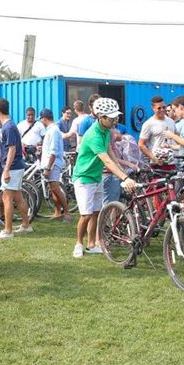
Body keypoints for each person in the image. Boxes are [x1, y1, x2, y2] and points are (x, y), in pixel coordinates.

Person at [71, 98, 136, 258]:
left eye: (115, 117)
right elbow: (105, 159)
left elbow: (111, 154)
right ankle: (79, 244)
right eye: (111, 117)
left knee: (96, 212)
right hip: (84, 178)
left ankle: (92, 244)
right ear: (101, 117)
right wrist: (124, 178)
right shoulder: (94, 134)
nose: (114, 120)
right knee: (85, 215)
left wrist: (124, 174)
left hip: (96, 177)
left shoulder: (106, 131)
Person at [0, 98, 33, 239]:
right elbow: (5, 142)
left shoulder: (8, 127)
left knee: (6, 197)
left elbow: (12, 149)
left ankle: (8, 231)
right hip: (16, 166)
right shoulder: (9, 126)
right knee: (18, 197)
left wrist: (7, 170)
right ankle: (26, 225)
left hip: (13, 167)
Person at [39, 108, 71, 221]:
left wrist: (48, 167)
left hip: (53, 163)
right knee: (52, 189)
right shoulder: (51, 130)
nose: (41, 122)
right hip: (50, 162)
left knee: (55, 188)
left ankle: (66, 212)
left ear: (44, 118)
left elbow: (53, 151)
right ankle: (57, 212)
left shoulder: (53, 131)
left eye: (41, 119)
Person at [102, 130, 141, 205]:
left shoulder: (110, 140)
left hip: (110, 173)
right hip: (108, 173)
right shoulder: (110, 136)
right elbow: (111, 158)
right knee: (111, 203)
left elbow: (114, 158)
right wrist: (128, 165)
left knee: (111, 201)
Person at [138, 95, 177, 165]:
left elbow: (177, 138)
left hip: (172, 163)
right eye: (159, 108)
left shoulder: (171, 121)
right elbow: (141, 144)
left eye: (164, 107)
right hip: (157, 164)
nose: (162, 110)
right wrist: (154, 158)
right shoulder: (148, 124)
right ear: (153, 108)